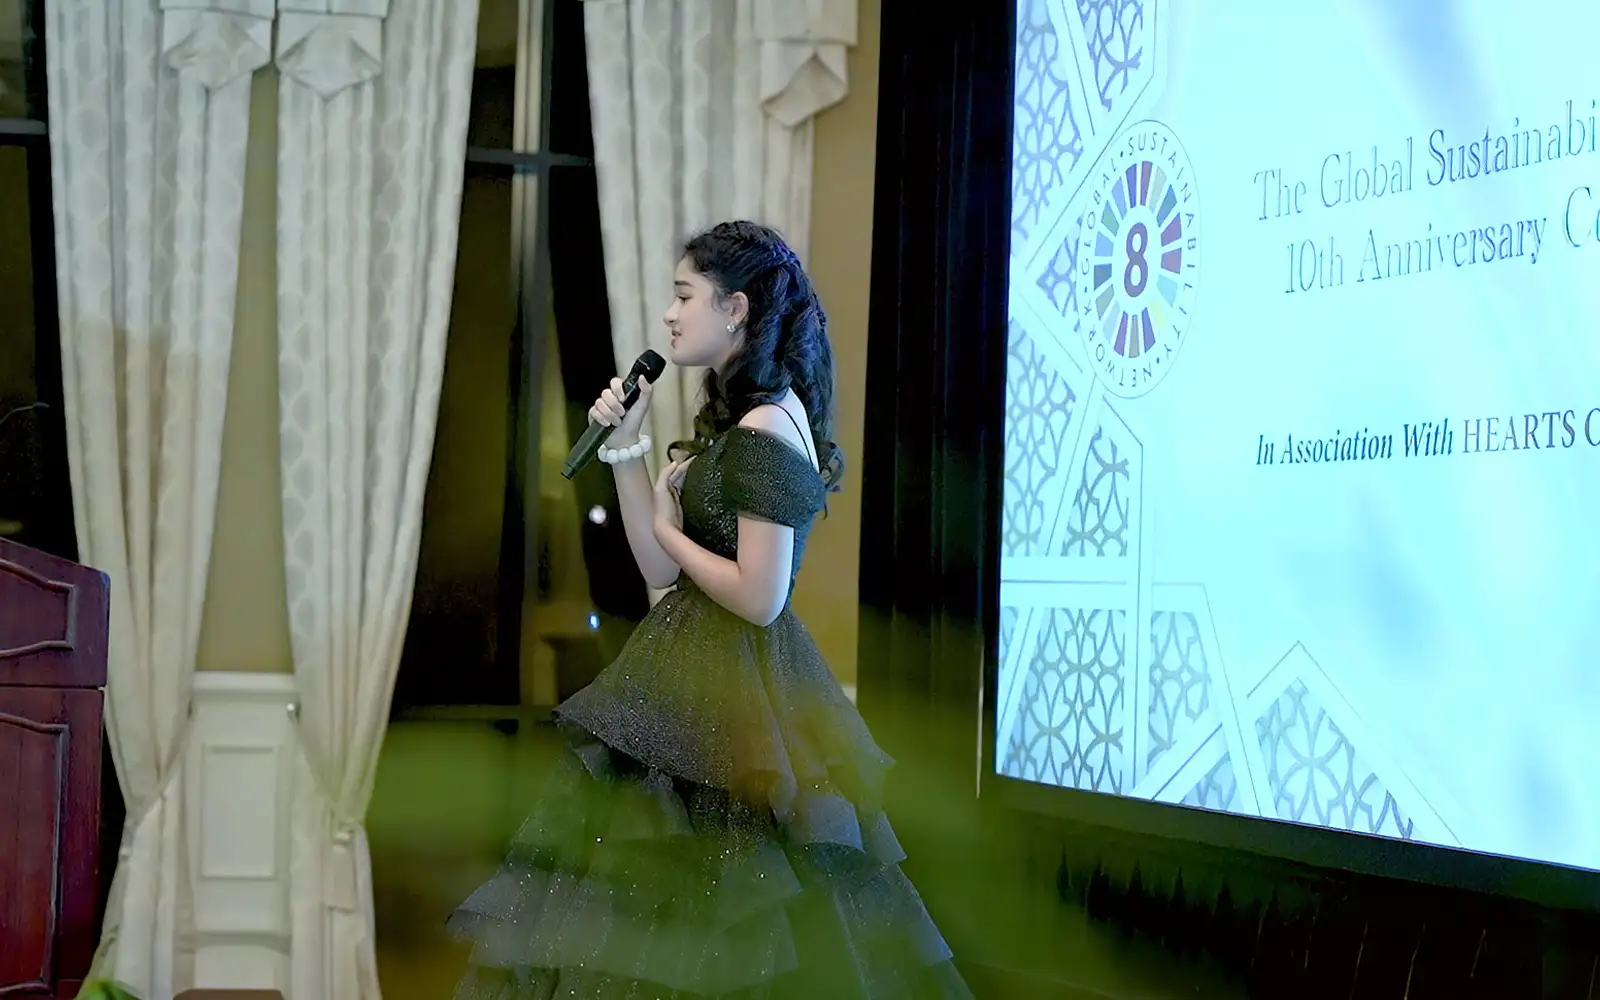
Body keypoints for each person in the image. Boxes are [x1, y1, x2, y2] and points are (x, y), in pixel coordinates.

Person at [448, 221, 972, 999]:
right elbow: (660, 570)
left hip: (735, 694)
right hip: (694, 682)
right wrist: (627, 447)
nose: (669, 314)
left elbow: (759, 597)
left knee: (729, 913)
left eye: (684, 295)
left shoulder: (765, 428)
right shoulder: (743, 422)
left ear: (736, 309)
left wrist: (669, 526)